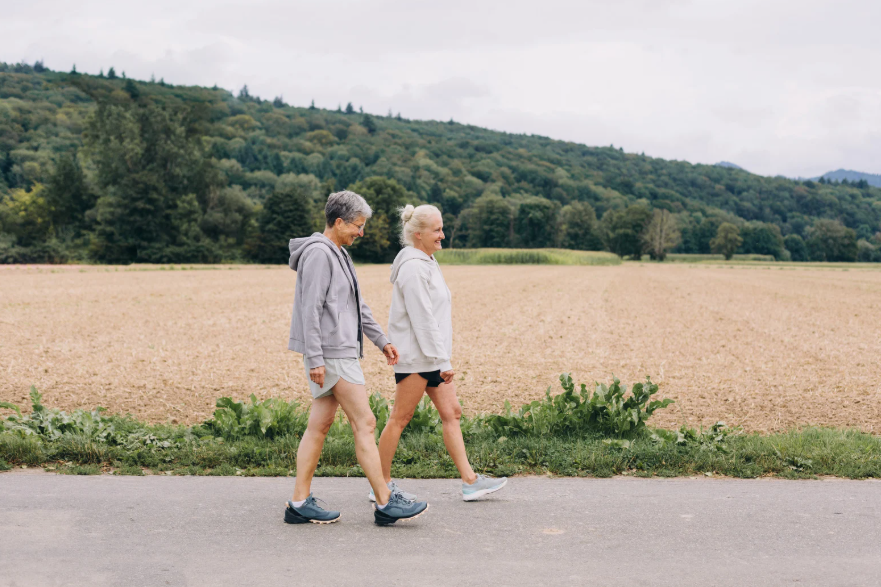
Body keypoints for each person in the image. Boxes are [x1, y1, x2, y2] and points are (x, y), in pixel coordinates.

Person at [284, 191, 429, 526]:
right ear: (338, 222)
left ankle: (299, 503)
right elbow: (311, 310)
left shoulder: (340, 254)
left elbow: (357, 306)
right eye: (358, 225)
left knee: (318, 427)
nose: (361, 232)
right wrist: (316, 358)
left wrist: (381, 340)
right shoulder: (321, 254)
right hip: (333, 354)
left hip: (336, 353)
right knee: (365, 423)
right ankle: (385, 501)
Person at [376, 204, 507, 502]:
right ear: (418, 234)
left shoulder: (428, 261)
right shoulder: (411, 267)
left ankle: (470, 481)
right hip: (416, 357)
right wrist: (443, 360)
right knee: (400, 417)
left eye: (441, 228)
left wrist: (441, 357)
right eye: (437, 230)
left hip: (432, 356)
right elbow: (422, 319)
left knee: (452, 413)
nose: (442, 235)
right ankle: (380, 484)